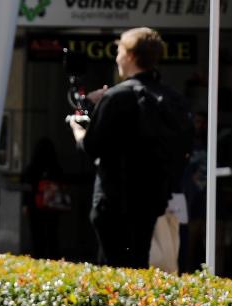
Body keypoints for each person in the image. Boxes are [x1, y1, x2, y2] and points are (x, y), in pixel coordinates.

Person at [70, 27, 192, 269]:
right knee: (138, 268)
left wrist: (77, 129)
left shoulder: (117, 97)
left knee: (113, 274)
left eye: (119, 51)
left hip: (113, 204)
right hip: (150, 203)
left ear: (130, 56)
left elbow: (92, 147)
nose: (117, 57)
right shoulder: (170, 98)